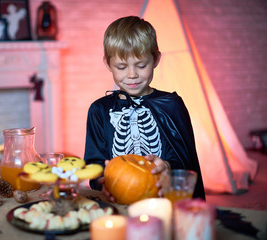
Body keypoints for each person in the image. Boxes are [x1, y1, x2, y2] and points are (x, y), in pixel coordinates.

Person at [84, 16, 205, 202]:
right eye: (121, 66)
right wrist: (103, 181)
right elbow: (94, 167)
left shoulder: (171, 105)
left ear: (156, 59)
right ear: (108, 64)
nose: (132, 75)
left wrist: (167, 167)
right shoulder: (99, 110)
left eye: (141, 65)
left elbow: (186, 164)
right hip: (118, 202)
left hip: (163, 202)